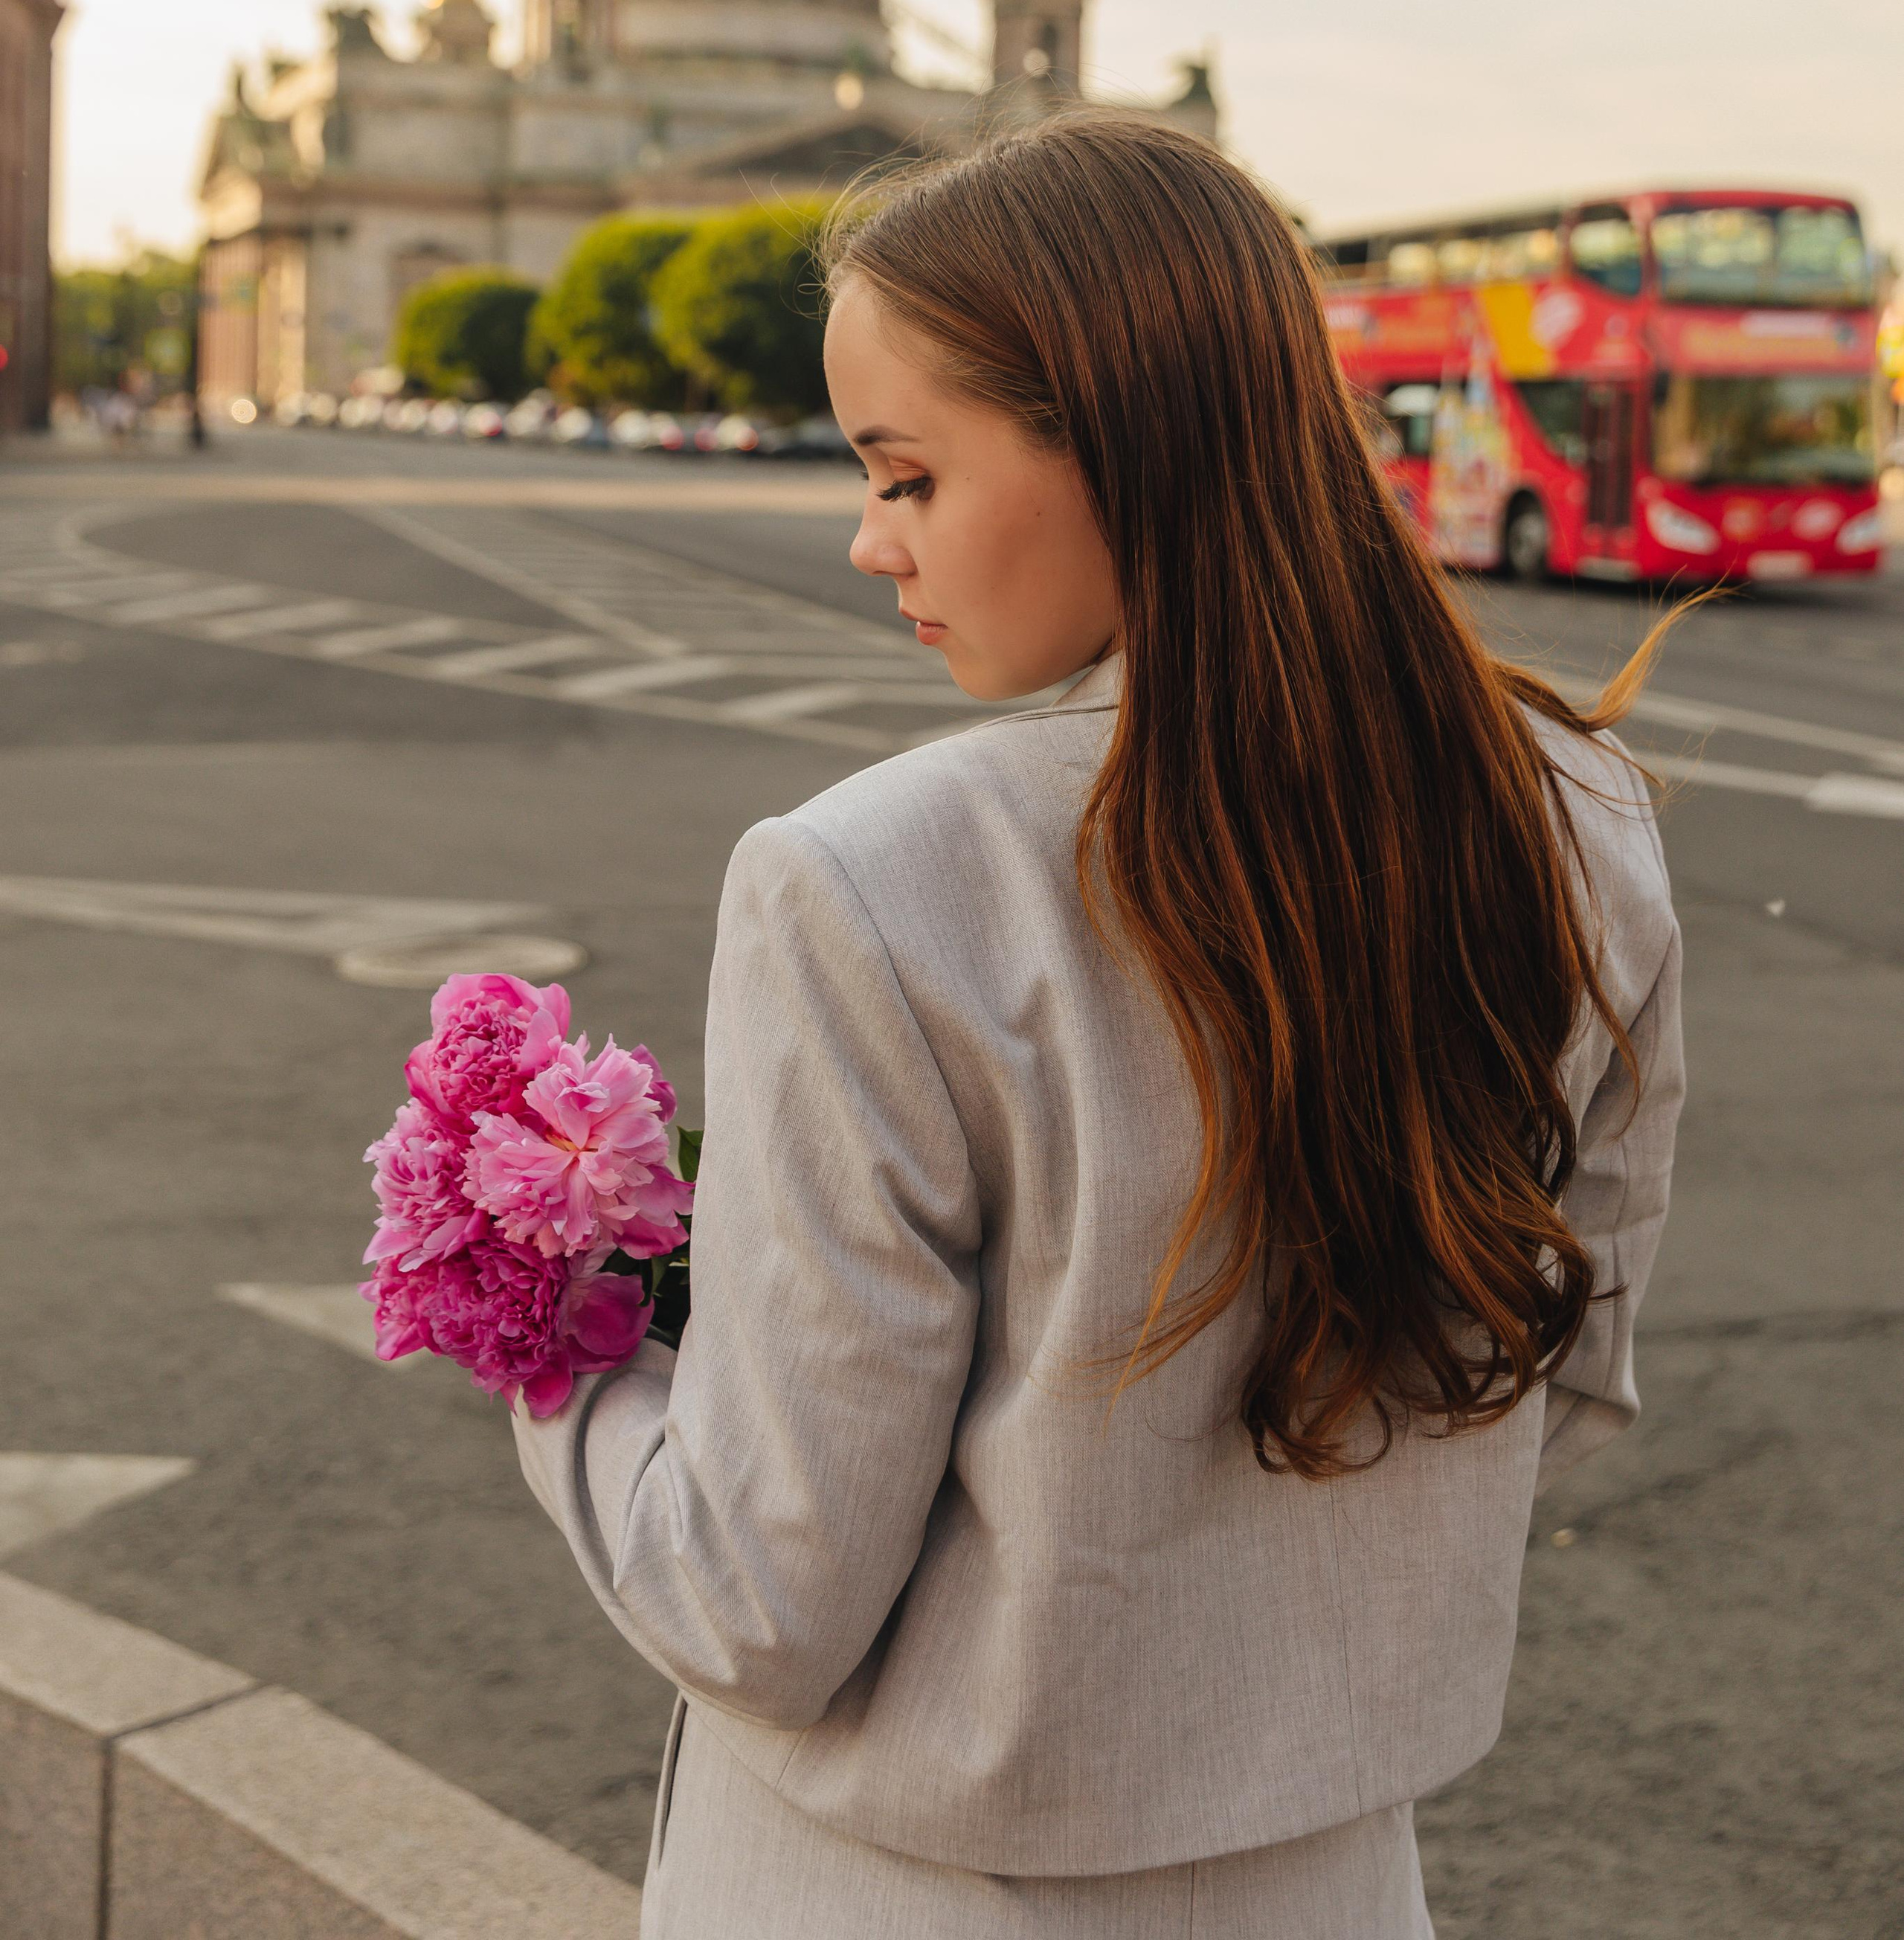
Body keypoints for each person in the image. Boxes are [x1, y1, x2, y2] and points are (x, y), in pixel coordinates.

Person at [514, 117, 1684, 1938]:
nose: (863, 538)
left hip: (890, 1892)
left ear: (1119, 442)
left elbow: (759, 1599)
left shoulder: (869, 881)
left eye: (906, 476)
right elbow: (1559, 1377)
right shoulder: (1573, 816)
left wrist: (559, 1344)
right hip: (1332, 1878)